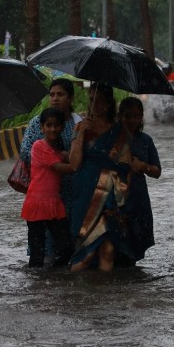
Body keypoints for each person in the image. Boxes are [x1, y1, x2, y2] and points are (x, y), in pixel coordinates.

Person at [68, 83, 135, 272]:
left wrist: (121, 199)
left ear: (109, 104)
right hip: (85, 194)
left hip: (109, 197)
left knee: (108, 250)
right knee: (86, 253)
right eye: (91, 100)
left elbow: (125, 168)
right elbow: (74, 164)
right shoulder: (80, 127)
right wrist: (81, 133)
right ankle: (74, 297)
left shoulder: (120, 132)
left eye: (99, 101)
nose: (94, 105)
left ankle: (105, 299)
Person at [22, 108, 82, 268]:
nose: (53, 129)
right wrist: (78, 136)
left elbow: (69, 158)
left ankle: (52, 279)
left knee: (66, 247)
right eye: (49, 125)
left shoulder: (57, 150)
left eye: (56, 125)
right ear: (41, 127)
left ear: (62, 127)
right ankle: (38, 288)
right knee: (37, 254)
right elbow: (71, 167)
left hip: (53, 204)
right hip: (37, 204)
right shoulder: (38, 147)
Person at [117, 97, 162, 265]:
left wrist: (142, 166)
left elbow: (157, 172)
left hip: (138, 196)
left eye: (137, 116)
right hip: (116, 194)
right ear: (120, 116)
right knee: (117, 240)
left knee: (135, 239)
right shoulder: (112, 138)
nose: (133, 120)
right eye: (128, 116)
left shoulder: (145, 140)